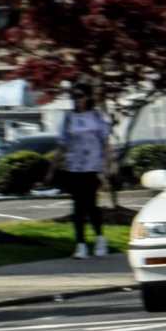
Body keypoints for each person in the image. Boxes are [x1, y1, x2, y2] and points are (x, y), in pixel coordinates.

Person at [57, 88, 110, 259]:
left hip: (92, 166)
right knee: (77, 207)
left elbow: (106, 141)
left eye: (80, 95)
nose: (77, 100)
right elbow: (62, 143)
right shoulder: (69, 118)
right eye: (74, 96)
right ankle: (81, 244)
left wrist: (105, 163)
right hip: (74, 167)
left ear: (87, 97)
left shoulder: (96, 116)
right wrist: (53, 167)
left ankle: (100, 239)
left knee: (91, 204)